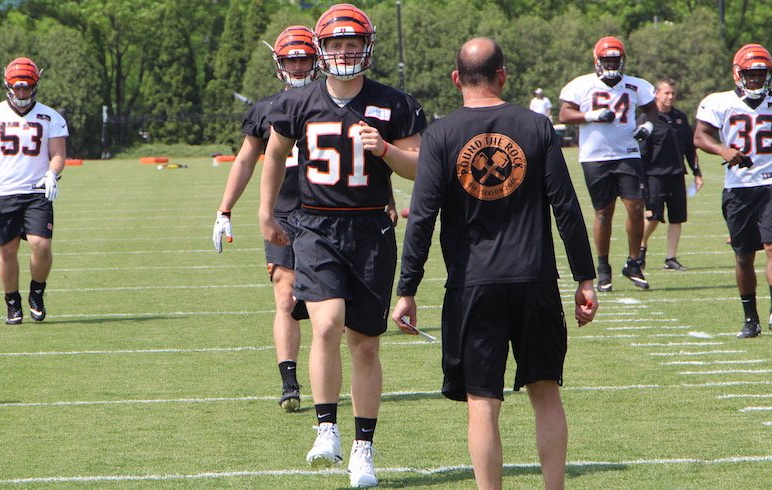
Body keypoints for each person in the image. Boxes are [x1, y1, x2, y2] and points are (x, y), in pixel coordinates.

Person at [392, 37, 597, 490]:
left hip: (472, 286)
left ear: (455, 79)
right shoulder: (537, 127)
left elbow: (422, 218)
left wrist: (406, 289)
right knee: (546, 395)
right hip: (535, 280)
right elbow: (566, 207)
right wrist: (586, 278)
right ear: (502, 75)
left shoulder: (440, 135)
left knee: (483, 403)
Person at [258, 4, 425, 487]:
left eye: (353, 44)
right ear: (322, 49)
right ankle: (326, 427)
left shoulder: (394, 103)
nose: (345, 52)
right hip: (315, 226)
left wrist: (387, 150)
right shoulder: (298, 102)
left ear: (367, 47)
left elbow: (420, 166)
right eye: (336, 44)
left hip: (371, 228)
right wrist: (265, 212)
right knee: (326, 324)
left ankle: (363, 447)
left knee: (366, 345)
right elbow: (273, 156)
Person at [212, 25, 320, 412]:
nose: (297, 65)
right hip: (285, 213)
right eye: (291, 58)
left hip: (331, 212)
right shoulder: (266, 109)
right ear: (278, 64)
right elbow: (244, 160)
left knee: (333, 308)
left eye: (303, 57)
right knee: (285, 295)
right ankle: (289, 382)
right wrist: (225, 209)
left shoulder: (336, 102)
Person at [0, 57, 68, 325]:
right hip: (4, 191)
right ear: (8, 86)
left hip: (37, 190)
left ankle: (36, 293)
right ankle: (12, 302)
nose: (22, 92)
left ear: (35, 85)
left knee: (41, 245)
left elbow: (58, 153)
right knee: (7, 250)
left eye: (27, 87)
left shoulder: (51, 116)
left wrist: (52, 174)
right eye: (18, 87)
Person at [559, 36, 657, 292]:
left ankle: (633, 263)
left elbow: (652, 109)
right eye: (607, 59)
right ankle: (603, 268)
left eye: (615, 59)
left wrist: (647, 125)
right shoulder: (581, 85)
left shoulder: (637, 86)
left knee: (636, 207)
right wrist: (590, 115)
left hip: (627, 153)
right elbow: (564, 114)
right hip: (595, 156)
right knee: (604, 212)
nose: (612, 63)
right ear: (597, 61)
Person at [694, 43, 772, 339]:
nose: (756, 80)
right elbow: (700, 136)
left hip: (769, 185)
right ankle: (750, 318)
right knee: (743, 257)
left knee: (771, 247)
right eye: (751, 74)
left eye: (761, 74)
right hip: (739, 187)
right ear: (738, 74)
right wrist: (722, 150)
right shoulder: (719, 101)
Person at [637, 78, 702, 272]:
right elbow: (639, 153)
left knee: (677, 218)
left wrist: (697, 173)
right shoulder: (647, 119)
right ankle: (640, 249)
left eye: (673, 93)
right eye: (666, 93)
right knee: (653, 217)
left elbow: (690, 149)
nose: (670, 96)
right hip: (654, 175)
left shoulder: (680, 118)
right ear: (656, 93)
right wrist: (641, 181)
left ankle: (671, 258)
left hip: (676, 175)